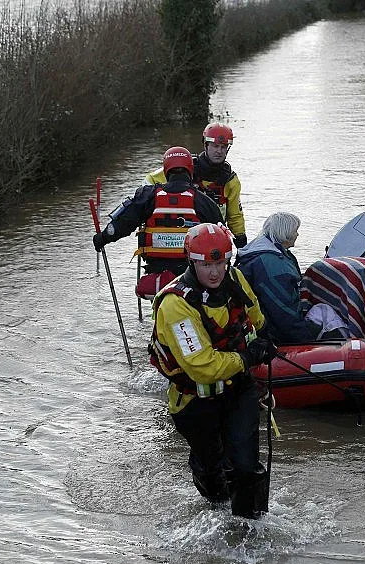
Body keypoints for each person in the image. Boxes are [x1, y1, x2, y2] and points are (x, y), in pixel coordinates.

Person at [149, 222, 277, 518]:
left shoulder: (235, 279)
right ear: (192, 262)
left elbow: (254, 313)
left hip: (238, 390)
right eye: (206, 264)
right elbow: (202, 367)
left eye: (220, 263)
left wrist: (266, 337)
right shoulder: (175, 305)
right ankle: (215, 506)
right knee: (211, 471)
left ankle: (252, 525)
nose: (215, 271)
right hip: (195, 401)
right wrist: (246, 358)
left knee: (246, 465)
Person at [92, 146, 225, 294]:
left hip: (156, 275)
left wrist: (102, 238)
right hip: (192, 276)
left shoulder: (147, 196)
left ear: (166, 170)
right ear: (190, 170)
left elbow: (122, 225)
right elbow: (222, 236)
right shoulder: (204, 201)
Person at [144, 122, 247, 247]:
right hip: (179, 235)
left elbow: (235, 216)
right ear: (206, 145)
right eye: (215, 146)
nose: (219, 151)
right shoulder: (184, 167)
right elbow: (150, 181)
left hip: (211, 237)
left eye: (223, 147)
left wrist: (241, 242)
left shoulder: (230, 180)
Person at [235, 212, 328, 344]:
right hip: (272, 332)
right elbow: (283, 312)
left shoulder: (259, 251)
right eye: (296, 231)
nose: (297, 234)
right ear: (286, 234)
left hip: (262, 320)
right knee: (330, 319)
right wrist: (308, 341)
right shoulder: (273, 266)